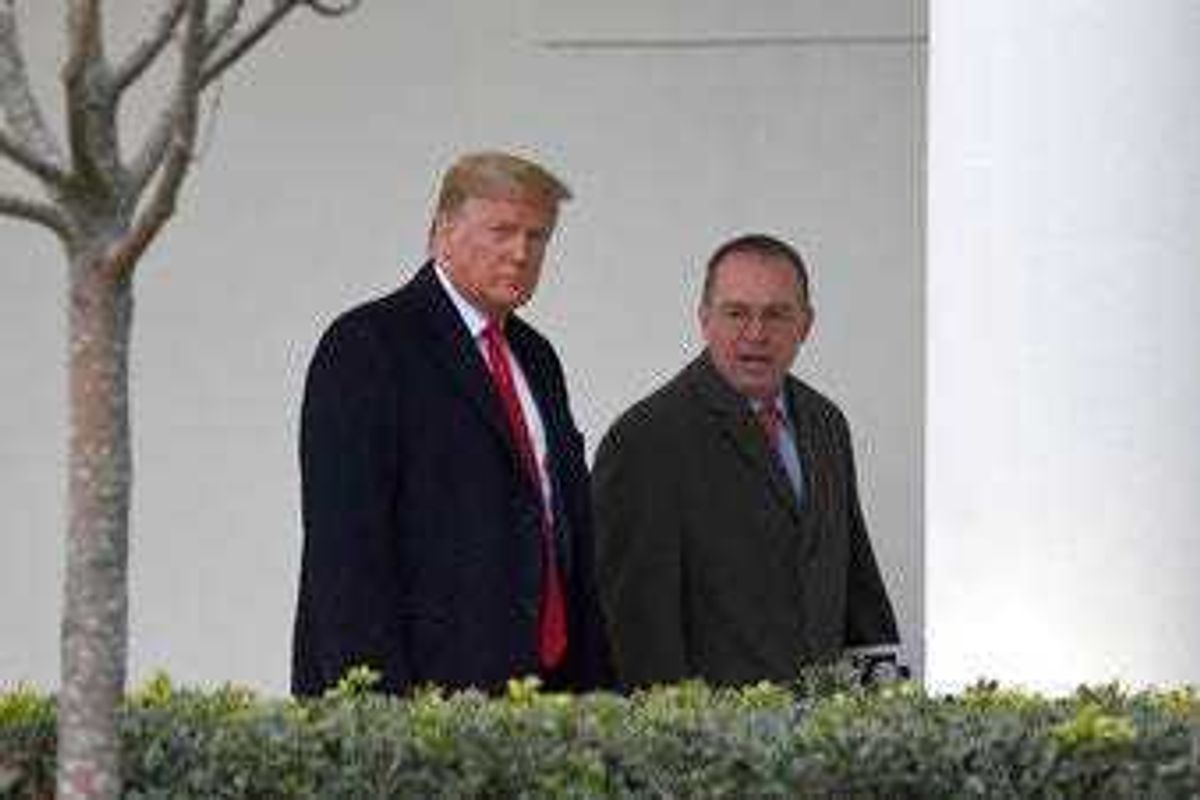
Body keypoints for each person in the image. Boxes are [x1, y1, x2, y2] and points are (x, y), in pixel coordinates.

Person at [292, 151, 609, 695]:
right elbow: (346, 553)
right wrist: (378, 717)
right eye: (502, 231)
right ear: (442, 230)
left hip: (546, 699)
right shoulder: (369, 346)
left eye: (537, 237)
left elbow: (563, 526)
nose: (520, 253)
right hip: (425, 707)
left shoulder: (535, 357)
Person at [592, 233, 899, 688]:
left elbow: (855, 584)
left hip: (823, 740)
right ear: (704, 320)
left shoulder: (826, 423)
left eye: (777, 314)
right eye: (736, 313)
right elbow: (638, 631)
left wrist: (882, 703)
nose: (756, 333)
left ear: (806, 325)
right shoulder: (645, 440)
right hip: (715, 743)